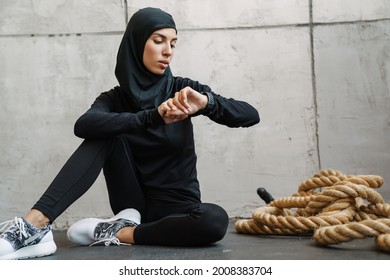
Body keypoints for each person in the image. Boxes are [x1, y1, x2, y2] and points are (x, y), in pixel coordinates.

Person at [0, 7, 260, 260]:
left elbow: (250, 115)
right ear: (136, 43)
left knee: (214, 220)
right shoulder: (114, 98)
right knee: (103, 132)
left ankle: (119, 233)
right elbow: (84, 125)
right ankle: (33, 226)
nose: (168, 51)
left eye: (173, 43)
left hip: (178, 211)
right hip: (132, 206)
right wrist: (152, 116)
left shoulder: (183, 91)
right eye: (159, 41)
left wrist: (207, 103)